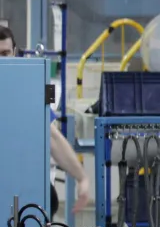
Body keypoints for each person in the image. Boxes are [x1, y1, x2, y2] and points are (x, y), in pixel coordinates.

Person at [0, 27, 92, 213]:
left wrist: (82, 177)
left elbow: (52, 137)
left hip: (19, 179)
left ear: (15, 52)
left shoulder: (26, 90)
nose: (1, 61)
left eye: (5, 53)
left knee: (46, 204)